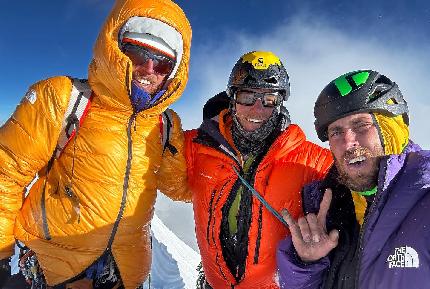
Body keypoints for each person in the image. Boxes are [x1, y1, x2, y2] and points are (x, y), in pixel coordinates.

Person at [0, 0, 191, 288]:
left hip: (124, 272)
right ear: (115, 47)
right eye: (138, 53)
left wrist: (222, 138)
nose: (148, 69)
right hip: (53, 267)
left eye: (163, 63)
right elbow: (6, 174)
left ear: (173, 73)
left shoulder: (166, 125)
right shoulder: (62, 97)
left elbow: (181, 187)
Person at [183, 51, 333, 288]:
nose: (257, 109)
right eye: (247, 96)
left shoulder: (310, 161)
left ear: (280, 102)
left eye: (269, 99)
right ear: (232, 98)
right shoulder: (197, 147)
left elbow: (364, 181)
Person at [277, 70, 430, 288]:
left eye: (361, 125)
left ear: (391, 129)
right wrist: (308, 264)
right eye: (336, 132)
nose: (348, 143)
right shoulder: (328, 211)